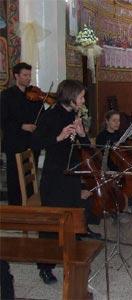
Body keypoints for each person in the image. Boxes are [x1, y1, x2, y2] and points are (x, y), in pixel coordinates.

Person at [31, 80, 93, 284]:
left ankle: (72, 261)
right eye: (81, 97)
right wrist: (58, 138)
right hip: (54, 176)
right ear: (71, 97)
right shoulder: (50, 115)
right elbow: (36, 143)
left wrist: (82, 134)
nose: (83, 101)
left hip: (72, 175)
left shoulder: (74, 115)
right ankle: (45, 266)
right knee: (51, 224)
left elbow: (85, 148)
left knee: (74, 218)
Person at [0, 62, 42, 205]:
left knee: (31, 176)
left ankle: (29, 204)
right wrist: (22, 126)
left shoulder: (35, 95)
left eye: (29, 75)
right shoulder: (6, 95)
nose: (28, 78)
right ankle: (16, 207)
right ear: (16, 76)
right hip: (15, 142)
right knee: (15, 177)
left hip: (32, 142)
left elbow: (41, 116)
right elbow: (3, 120)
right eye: (25, 75)